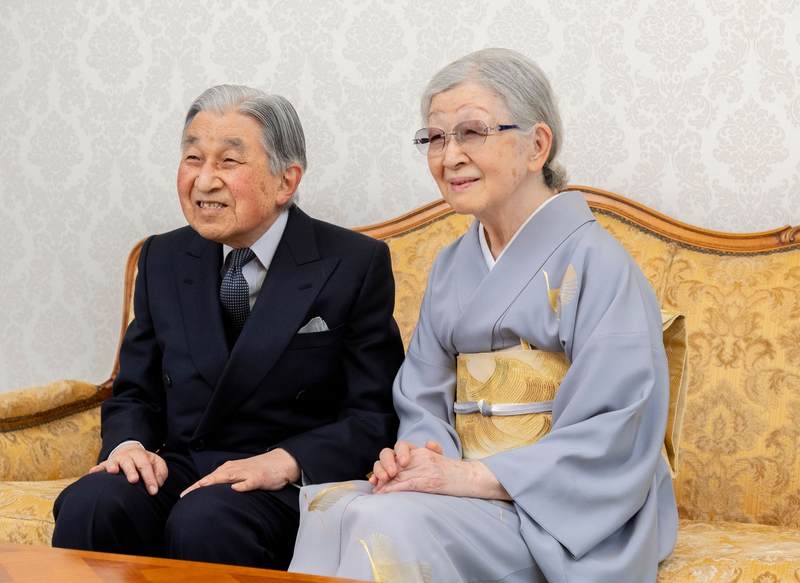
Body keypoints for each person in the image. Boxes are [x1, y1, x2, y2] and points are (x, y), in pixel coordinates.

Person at [289, 49, 678, 582]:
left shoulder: (598, 261)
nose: (449, 156)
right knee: (333, 509)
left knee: (387, 523)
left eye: (471, 132)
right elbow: (422, 398)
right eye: (435, 137)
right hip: (466, 492)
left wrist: (470, 478)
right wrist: (421, 460)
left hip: (561, 510)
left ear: (536, 145)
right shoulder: (451, 266)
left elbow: (615, 426)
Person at [51, 85, 405, 570]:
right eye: (193, 158)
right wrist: (129, 446)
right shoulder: (163, 257)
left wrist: (287, 461)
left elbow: (373, 414)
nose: (204, 180)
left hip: (282, 479)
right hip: (184, 465)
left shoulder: (353, 263)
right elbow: (135, 392)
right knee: (92, 502)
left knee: (207, 520)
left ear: (286, 181)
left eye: (228, 162)